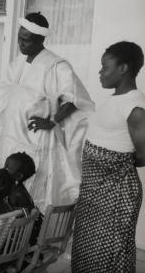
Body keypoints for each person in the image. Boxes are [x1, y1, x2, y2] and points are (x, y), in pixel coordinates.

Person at [0, 12, 94, 213]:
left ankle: (31, 230)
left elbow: (75, 98)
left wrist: (52, 121)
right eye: (19, 38)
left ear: (40, 39)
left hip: (35, 140)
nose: (21, 44)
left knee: (31, 190)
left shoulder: (56, 65)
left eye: (26, 40)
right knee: (6, 188)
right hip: (10, 137)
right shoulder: (17, 63)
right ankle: (7, 234)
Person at [71, 41, 145, 273]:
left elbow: (143, 153)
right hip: (95, 190)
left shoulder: (135, 106)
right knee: (88, 251)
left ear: (123, 68)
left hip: (115, 194)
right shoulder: (115, 99)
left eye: (105, 67)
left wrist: (113, 165)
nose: (100, 72)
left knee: (111, 255)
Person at [5, 152, 43, 244]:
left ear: (18, 176)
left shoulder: (16, 194)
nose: (3, 171)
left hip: (17, 243)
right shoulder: (19, 190)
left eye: (6, 168)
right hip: (24, 239)